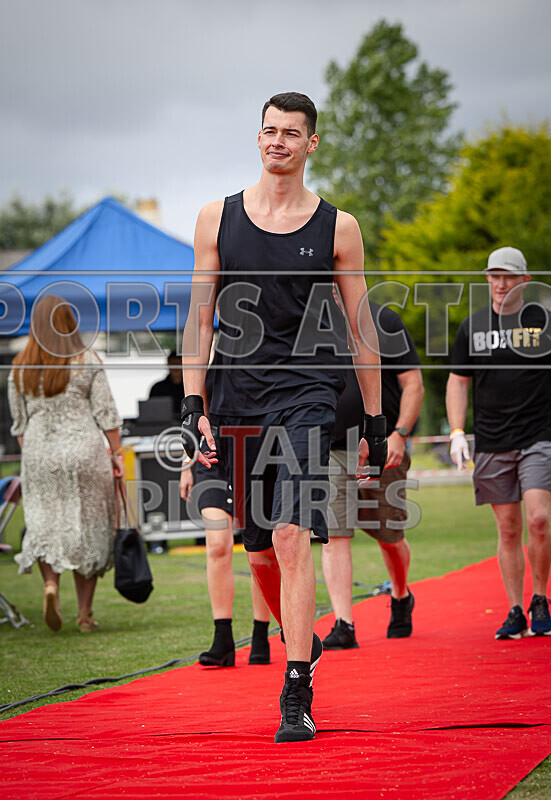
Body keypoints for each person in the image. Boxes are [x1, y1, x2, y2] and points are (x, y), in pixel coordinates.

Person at [181, 92, 386, 742]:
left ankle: (295, 688)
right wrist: (194, 407)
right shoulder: (217, 218)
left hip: (305, 395)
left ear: (310, 144)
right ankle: (302, 641)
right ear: (259, 137)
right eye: (268, 130)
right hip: (237, 397)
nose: (277, 141)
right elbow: (198, 321)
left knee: (296, 537)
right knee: (259, 548)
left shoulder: (337, 227)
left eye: (290, 133)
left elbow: (361, 331)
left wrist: (375, 423)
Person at [446, 246, 551, 639]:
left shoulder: (543, 322)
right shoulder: (472, 327)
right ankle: (514, 609)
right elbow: (458, 381)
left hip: (539, 435)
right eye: (494, 275)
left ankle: (540, 598)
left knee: (538, 519)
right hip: (492, 440)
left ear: (524, 279)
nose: (501, 282)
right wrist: (457, 432)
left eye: (508, 275)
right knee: (508, 528)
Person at [8, 295, 124, 633]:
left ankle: (50, 585)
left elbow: (19, 425)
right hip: (84, 452)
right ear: (69, 322)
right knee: (87, 527)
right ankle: (85, 615)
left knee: (45, 524)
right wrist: (116, 455)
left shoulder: (19, 366)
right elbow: (107, 414)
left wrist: (34, 455)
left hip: (39, 453)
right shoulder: (87, 360)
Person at [322, 302, 424, 647]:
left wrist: (400, 433)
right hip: (332, 447)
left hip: (382, 447)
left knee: (389, 535)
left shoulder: (383, 320)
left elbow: (413, 384)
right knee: (334, 534)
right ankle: (343, 623)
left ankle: (400, 594)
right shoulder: (311, 322)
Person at [180, 431, 272, 667]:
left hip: (254, 450)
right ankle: (222, 638)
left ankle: (261, 636)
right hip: (211, 457)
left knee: (259, 551)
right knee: (218, 545)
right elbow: (193, 411)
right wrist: (186, 463)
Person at [148, 350, 185, 417]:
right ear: (168, 365)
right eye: (173, 364)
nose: (176, 368)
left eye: (178, 364)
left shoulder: (191, 388)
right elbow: (151, 411)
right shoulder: (157, 388)